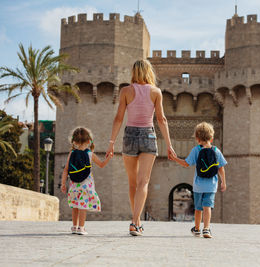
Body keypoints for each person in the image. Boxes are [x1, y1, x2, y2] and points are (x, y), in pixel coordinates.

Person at [106, 59, 176, 236]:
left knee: (132, 183)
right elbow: (162, 120)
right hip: (148, 136)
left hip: (129, 136)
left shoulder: (126, 91)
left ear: (134, 72)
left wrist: (111, 143)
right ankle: (135, 222)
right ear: (148, 72)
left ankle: (135, 220)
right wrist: (169, 144)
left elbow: (118, 118)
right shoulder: (156, 92)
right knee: (143, 182)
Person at [171, 122, 227, 238]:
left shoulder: (196, 150)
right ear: (211, 138)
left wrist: (175, 158)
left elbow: (186, 164)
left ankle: (197, 229)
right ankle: (206, 229)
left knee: (198, 208)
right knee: (207, 207)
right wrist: (223, 182)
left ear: (197, 138)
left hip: (198, 185)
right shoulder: (216, 151)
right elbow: (221, 168)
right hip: (211, 185)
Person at [61, 127, 111, 235]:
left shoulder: (72, 153)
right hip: (86, 184)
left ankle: (74, 226)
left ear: (73, 141)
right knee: (83, 205)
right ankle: (81, 227)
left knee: (75, 205)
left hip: (74, 184)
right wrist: (108, 158)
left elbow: (66, 170)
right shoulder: (90, 154)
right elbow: (101, 165)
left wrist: (63, 183)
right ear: (89, 141)